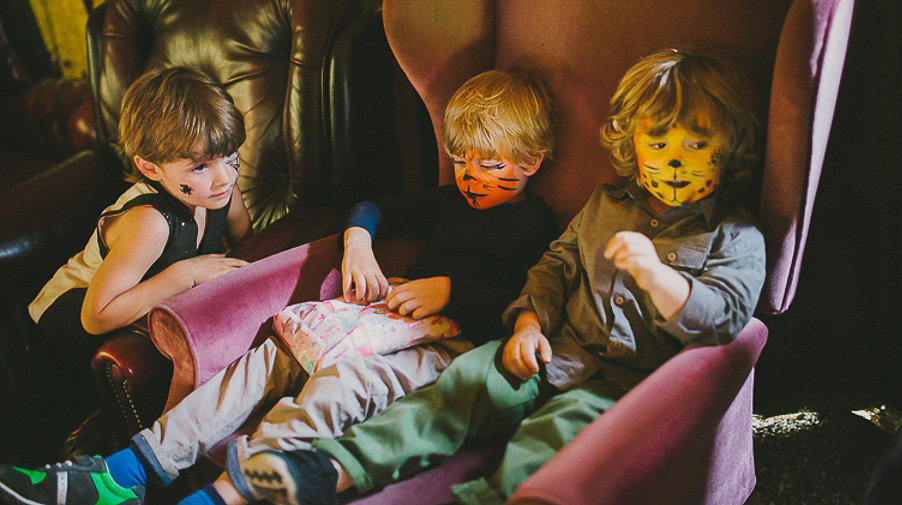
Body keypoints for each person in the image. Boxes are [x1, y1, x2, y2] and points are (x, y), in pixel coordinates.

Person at [0, 70, 558, 505]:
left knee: (341, 384)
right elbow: (368, 207)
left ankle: (227, 492)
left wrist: (450, 290)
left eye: (490, 165)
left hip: (448, 340)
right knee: (271, 356)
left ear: (532, 161)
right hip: (386, 315)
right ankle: (130, 470)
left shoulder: (535, 225)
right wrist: (358, 244)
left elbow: (522, 301)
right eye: (461, 161)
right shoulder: (448, 201)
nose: (470, 177)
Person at [238, 48, 769, 505]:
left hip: (623, 382)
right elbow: (557, 266)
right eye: (659, 145)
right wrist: (528, 325)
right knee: (459, 389)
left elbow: (723, 319)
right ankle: (326, 470)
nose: (674, 163)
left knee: (547, 439)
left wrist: (658, 276)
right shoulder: (607, 204)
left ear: (728, 151)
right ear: (634, 147)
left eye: (695, 147)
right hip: (550, 349)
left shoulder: (734, 236)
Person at [0, 67, 252, 465]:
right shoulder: (148, 221)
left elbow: (247, 245)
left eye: (230, 155)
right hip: (43, 345)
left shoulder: (221, 185)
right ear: (152, 169)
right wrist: (184, 274)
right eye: (200, 167)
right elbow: (95, 316)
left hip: (91, 340)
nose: (223, 176)